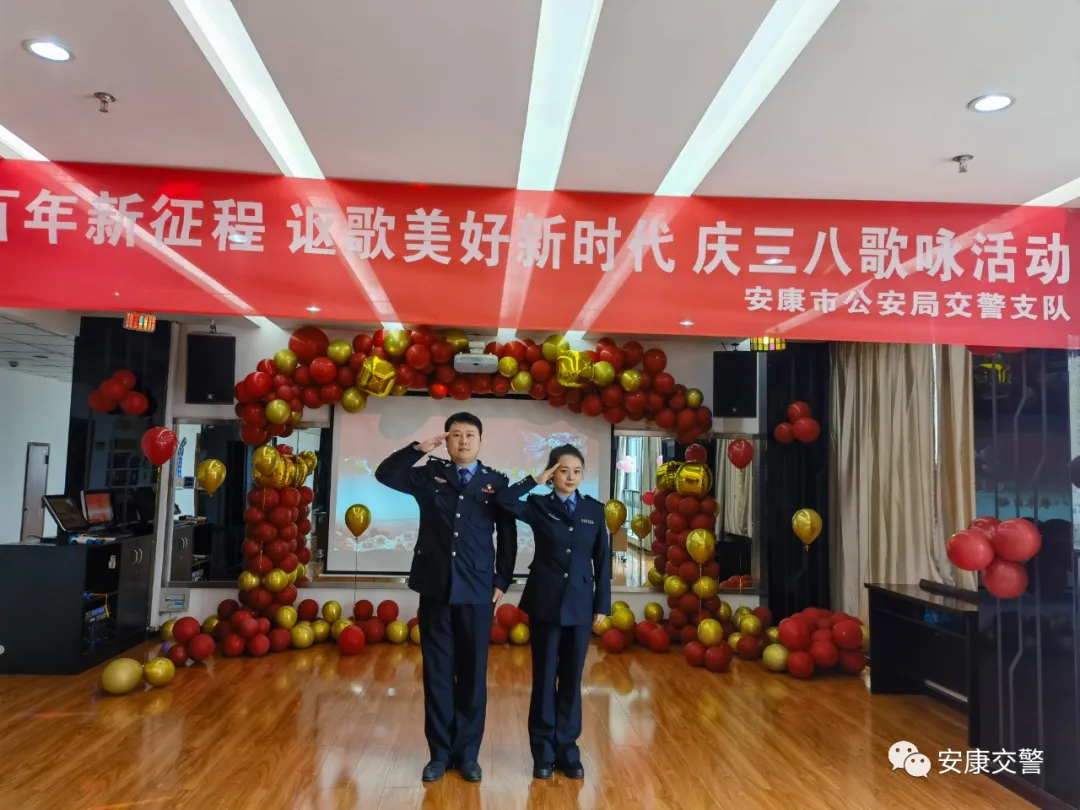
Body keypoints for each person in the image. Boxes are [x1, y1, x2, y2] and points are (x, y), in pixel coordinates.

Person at [375, 412, 517, 783]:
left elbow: (508, 535)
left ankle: (467, 755)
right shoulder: (428, 475)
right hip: (435, 588)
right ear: (447, 439)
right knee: (437, 674)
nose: (463, 441)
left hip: (477, 592)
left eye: (470, 435)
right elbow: (385, 474)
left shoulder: (496, 483)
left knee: (472, 675)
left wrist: (502, 579)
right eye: (456, 435)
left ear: (480, 441)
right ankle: (439, 754)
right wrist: (417, 449)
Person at [495, 444, 611, 780]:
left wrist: (602, 605)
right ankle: (543, 752)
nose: (570, 477)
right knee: (545, 679)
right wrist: (533, 480)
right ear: (551, 473)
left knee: (572, 680)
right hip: (545, 602)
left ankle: (568, 751)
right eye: (563, 470)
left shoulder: (593, 510)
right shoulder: (538, 505)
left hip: (580, 604)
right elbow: (503, 500)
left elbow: (602, 560)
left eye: (577, 471)